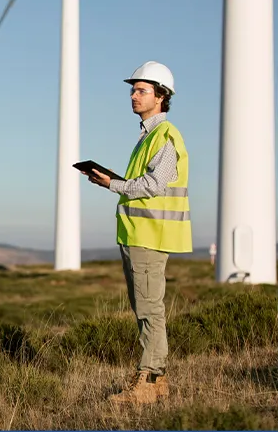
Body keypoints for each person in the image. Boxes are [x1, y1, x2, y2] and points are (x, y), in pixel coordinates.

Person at [83, 61, 193, 404]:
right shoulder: (147, 137)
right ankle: (157, 380)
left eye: (142, 90)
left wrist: (112, 184)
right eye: (133, 89)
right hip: (137, 234)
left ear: (161, 96)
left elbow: (155, 184)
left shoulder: (164, 136)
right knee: (144, 307)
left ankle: (147, 380)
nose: (134, 95)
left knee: (149, 309)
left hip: (151, 235)